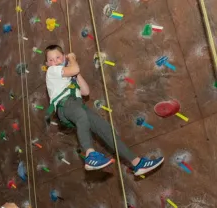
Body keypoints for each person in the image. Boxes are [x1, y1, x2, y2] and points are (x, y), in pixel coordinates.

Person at [45, 44, 164, 175]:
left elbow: (85, 91)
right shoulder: (52, 71)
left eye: (57, 57)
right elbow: (74, 69)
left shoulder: (69, 74)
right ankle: (90, 155)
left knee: (105, 128)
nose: (54, 61)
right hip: (65, 105)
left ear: (63, 57)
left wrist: (75, 74)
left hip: (77, 105)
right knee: (80, 115)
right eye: (51, 60)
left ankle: (137, 163)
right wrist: (72, 59)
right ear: (47, 63)